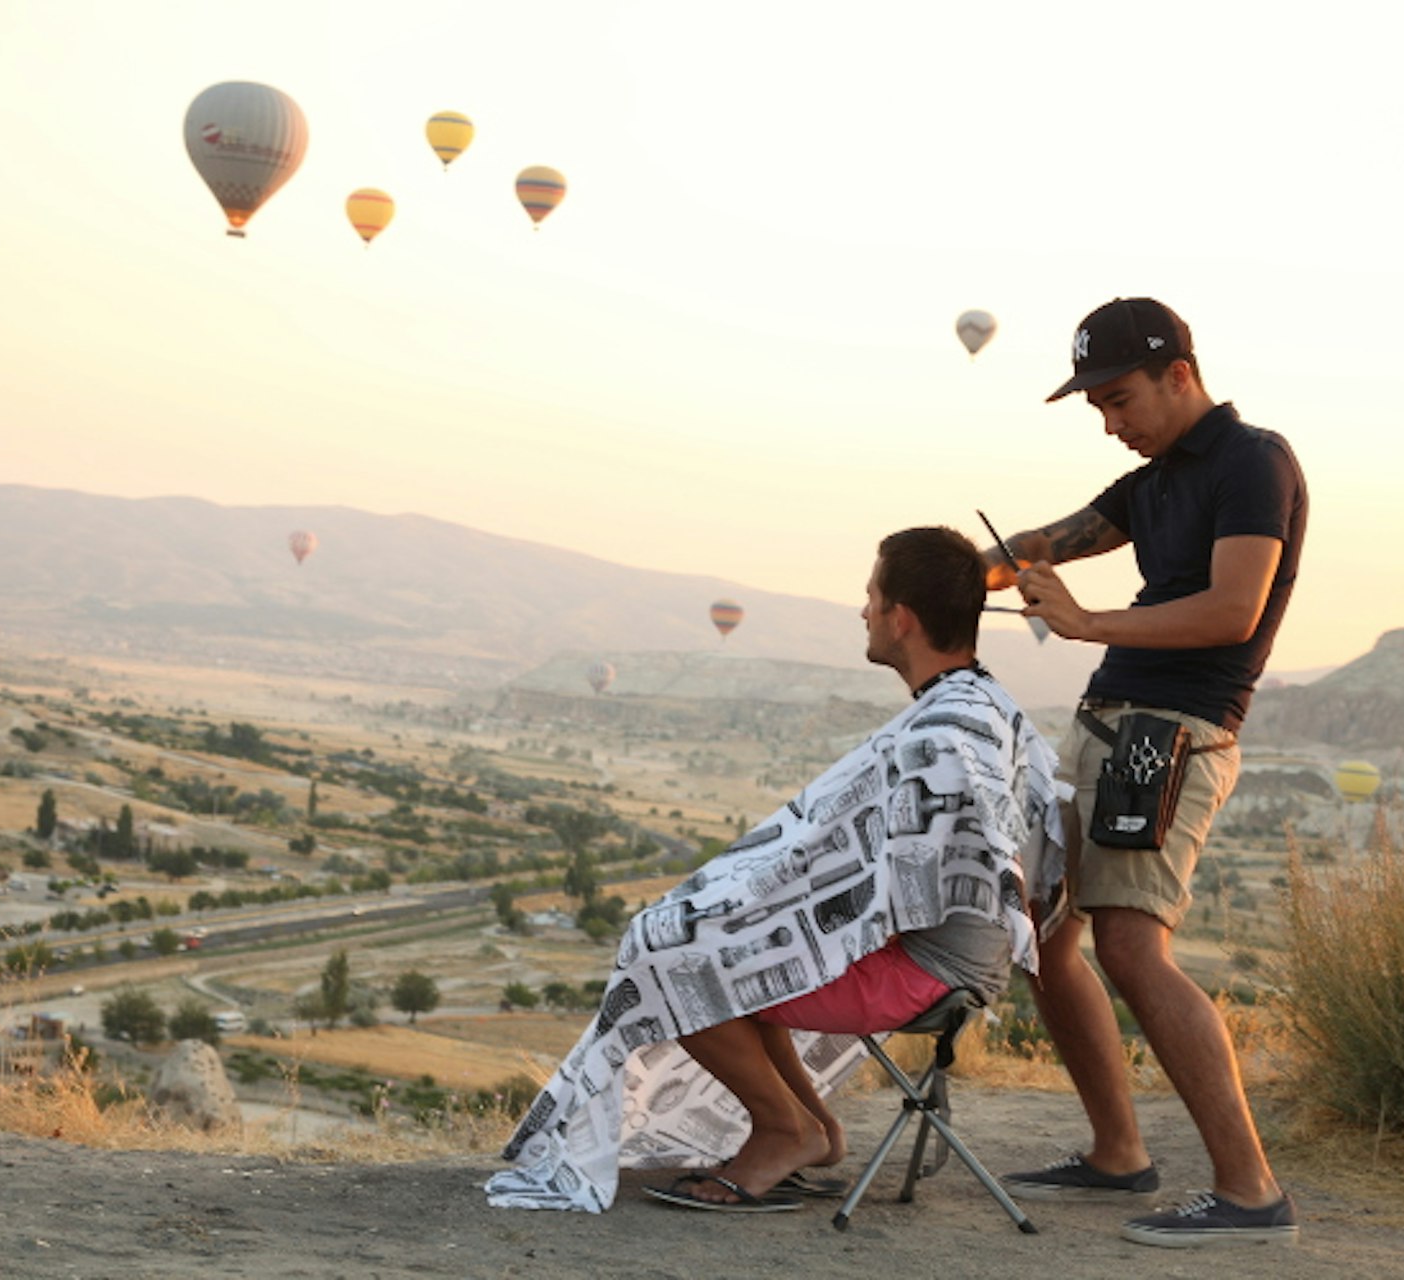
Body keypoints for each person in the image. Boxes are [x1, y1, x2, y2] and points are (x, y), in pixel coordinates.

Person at [485, 527, 1062, 1214]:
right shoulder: (978, 702)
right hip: (936, 950)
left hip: (926, 967)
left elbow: (892, 877)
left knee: (673, 958)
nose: (864, 612)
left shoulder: (944, 733)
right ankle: (812, 1127)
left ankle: (783, 1129)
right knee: (715, 940)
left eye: (871, 597)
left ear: (901, 617)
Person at [988, 298, 1308, 1248]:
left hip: (1170, 732)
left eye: (1119, 399)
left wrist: (1085, 624)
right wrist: (963, 571)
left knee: (1130, 948)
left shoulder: (1254, 459)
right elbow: (1054, 539)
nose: (1110, 424)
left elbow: (1232, 612)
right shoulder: (1155, 477)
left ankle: (1250, 1193)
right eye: (1095, 408)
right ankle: (1117, 1153)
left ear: (1179, 373)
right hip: (1113, 721)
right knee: (1049, 937)